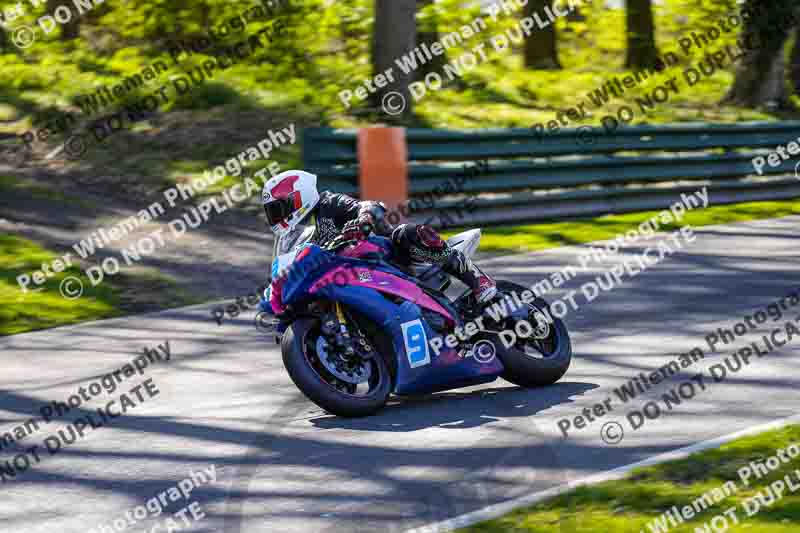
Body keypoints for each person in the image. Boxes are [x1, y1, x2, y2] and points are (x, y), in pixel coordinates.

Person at [261, 170, 497, 310]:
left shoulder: (328, 203)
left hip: (385, 258)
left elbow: (367, 206)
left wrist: (363, 219)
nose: (278, 216)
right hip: (348, 280)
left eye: (279, 208)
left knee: (404, 233)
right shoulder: (298, 236)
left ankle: (477, 279)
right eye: (272, 211)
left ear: (298, 197)